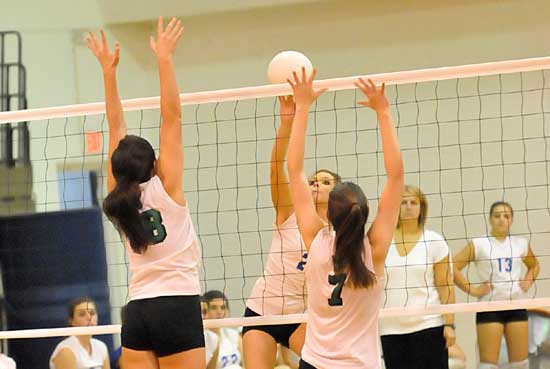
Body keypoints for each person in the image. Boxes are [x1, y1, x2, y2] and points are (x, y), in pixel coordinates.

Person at [88, 17, 205, 369]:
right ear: (154, 163)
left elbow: (115, 125)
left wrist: (108, 73)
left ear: (118, 168)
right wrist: (164, 60)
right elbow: (172, 117)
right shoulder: (165, 185)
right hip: (177, 305)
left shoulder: (116, 194)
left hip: (137, 311)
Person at [286, 68, 403, 368]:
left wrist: (302, 107)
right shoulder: (374, 249)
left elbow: (295, 171)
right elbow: (395, 177)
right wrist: (383, 112)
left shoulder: (315, 239)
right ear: (363, 214)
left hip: (314, 363)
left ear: (327, 214)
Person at [242, 94, 341, 369]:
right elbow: (277, 168)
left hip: (300, 317)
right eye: (312, 181)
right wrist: (286, 124)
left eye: (325, 181)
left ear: (338, 192)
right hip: (262, 312)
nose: (316, 185)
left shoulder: (339, 236)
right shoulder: (289, 215)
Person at [453, 201, 540, 369]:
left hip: (516, 305)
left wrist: (528, 281)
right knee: (488, 365)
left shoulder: (520, 243)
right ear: (490, 219)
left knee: (520, 364)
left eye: (506, 216)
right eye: (497, 216)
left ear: (511, 220)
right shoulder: (479, 244)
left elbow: (534, 265)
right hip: (490, 307)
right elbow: (453, 267)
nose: (501, 219)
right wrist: (473, 290)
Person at [379, 184, 456, 369]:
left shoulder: (434, 241)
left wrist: (450, 325)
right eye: (403, 202)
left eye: (413, 202)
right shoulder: (382, 241)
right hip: (391, 327)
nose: (408, 206)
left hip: (428, 324)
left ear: (422, 207)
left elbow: (445, 285)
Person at [49, 297, 109, 369]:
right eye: (82, 314)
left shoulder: (101, 346)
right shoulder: (66, 351)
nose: (89, 317)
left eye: (92, 313)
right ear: (72, 321)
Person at [203, 291, 243, 369]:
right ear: (205, 311)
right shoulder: (204, 338)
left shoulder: (233, 334)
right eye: (214, 308)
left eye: (223, 307)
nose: (219, 312)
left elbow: (247, 363)